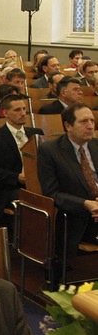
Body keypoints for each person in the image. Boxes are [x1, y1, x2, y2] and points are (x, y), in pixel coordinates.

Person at [37, 102, 98, 273]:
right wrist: (86, 203)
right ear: (68, 126)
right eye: (84, 121)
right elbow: (52, 193)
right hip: (76, 214)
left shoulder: (96, 145)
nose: (90, 126)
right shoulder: (50, 150)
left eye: (92, 121)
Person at [0, 95, 43, 225]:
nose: (23, 113)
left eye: (24, 109)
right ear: (5, 113)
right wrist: (16, 177)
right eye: (17, 110)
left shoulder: (36, 133)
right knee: (35, 202)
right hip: (10, 187)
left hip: (40, 182)